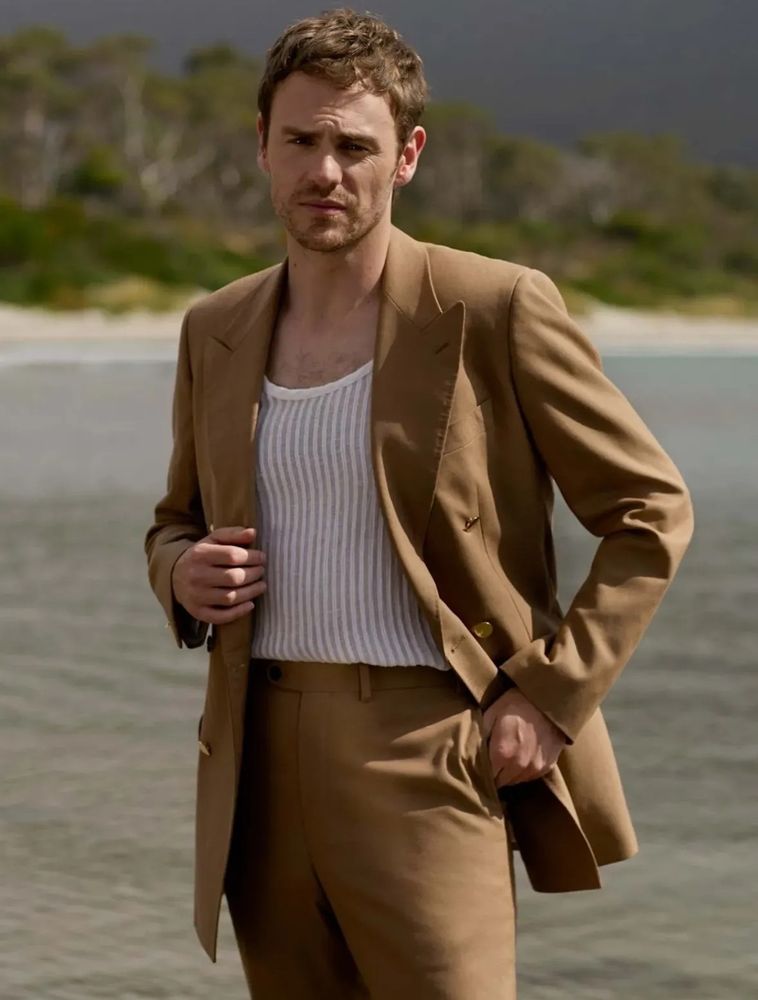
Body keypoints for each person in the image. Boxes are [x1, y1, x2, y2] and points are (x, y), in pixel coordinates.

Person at [144, 8, 694, 998]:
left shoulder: (493, 304)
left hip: (429, 747)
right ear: (260, 148)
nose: (325, 172)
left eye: (354, 146)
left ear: (405, 156)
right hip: (254, 756)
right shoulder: (215, 325)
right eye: (301, 141)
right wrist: (180, 573)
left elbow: (649, 512)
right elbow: (172, 518)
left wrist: (551, 694)